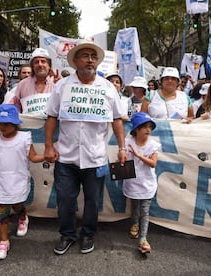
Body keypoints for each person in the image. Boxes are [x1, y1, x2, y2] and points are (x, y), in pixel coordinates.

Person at [44, 40, 127, 255]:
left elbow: (117, 119)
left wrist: (122, 147)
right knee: (65, 200)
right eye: (85, 56)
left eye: (93, 56)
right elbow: (51, 117)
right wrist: (48, 146)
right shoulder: (62, 86)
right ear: (75, 62)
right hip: (66, 157)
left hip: (96, 157)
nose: (90, 60)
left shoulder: (108, 88)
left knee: (93, 201)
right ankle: (67, 235)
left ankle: (88, 235)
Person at [0, 104, 45, 260]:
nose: (3, 127)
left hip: (18, 180)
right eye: (0, 123)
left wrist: (47, 156)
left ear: (15, 123)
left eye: (7, 123)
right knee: (1, 211)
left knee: (17, 205)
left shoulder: (24, 138)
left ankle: (23, 217)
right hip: (0, 181)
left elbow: (33, 157)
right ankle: (4, 240)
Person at [123, 112, 160, 254]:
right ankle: (134, 224)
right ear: (136, 129)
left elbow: (153, 163)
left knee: (145, 211)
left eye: (149, 127)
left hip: (147, 183)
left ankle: (143, 239)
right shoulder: (128, 142)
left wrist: (138, 155)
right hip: (132, 182)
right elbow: (122, 157)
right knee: (134, 205)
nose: (148, 130)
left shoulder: (153, 145)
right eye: (144, 126)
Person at [13, 48, 59, 117]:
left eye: (43, 61)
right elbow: (16, 106)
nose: (40, 65)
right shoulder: (22, 84)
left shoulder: (57, 83)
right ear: (32, 66)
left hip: (53, 127)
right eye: (36, 62)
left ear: (49, 65)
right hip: (28, 126)